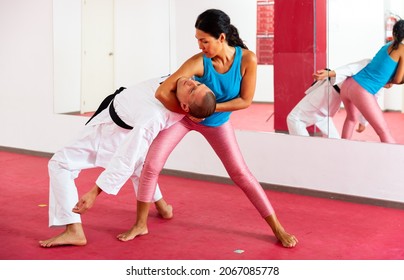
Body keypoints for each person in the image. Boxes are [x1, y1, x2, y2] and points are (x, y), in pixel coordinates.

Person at [75, 9, 298, 248]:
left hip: (217, 123)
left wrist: (209, 111)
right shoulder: (198, 62)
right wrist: (189, 113)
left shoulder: (247, 60)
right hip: (182, 119)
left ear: (221, 38)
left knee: (241, 174)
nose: (200, 45)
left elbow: (244, 101)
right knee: (151, 165)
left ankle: (277, 227)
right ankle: (140, 223)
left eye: (204, 40)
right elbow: (162, 92)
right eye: (197, 40)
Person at [39, 75, 216, 247]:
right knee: (139, 167)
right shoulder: (179, 82)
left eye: (192, 89)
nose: (190, 82)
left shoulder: (153, 117)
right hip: (115, 121)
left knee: (60, 163)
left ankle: (73, 229)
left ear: (184, 106)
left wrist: (94, 192)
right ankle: (163, 207)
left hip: (111, 132)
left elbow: (126, 159)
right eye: (197, 84)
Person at [339, 19, 404, 143]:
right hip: (362, 90)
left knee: (351, 119)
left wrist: (385, 81)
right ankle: (395, 161)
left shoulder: (387, 45)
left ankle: (342, 153)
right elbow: (397, 79)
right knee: (383, 131)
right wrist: (393, 81)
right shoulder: (402, 49)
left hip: (348, 84)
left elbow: (379, 69)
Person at [287, 59, 372, 139]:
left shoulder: (370, 64)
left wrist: (329, 73)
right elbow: (369, 98)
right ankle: (335, 148)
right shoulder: (375, 71)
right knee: (323, 119)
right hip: (333, 96)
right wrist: (363, 121)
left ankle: (305, 149)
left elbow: (349, 69)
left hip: (328, 93)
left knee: (295, 118)